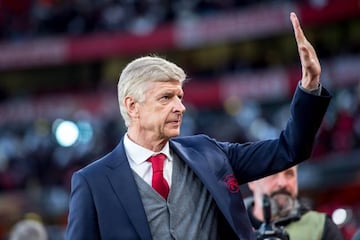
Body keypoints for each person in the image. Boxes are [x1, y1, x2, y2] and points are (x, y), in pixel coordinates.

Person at [65, 12, 331, 239]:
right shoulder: (92, 183)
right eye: (166, 98)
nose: (180, 107)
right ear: (133, 106)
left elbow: (289, 149)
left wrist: (309, 87)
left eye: (179, 97)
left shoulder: (209, 153)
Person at [246, 166, 344, 240]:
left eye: (289, 174)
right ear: (252, 182)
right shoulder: (233, 224)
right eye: (272, 174)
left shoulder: (321, 226)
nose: (283, 183)